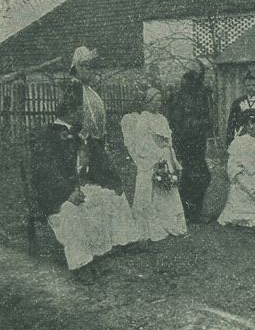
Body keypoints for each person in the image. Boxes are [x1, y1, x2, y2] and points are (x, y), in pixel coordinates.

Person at [31, 82, 140, 285]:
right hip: (57, 194)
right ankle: (81, 263)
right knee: (71, 212)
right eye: (80, 110)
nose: (83, 114)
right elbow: (45, 171)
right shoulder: (48, 135)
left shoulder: (80, 133)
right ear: (71, 111)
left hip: (80, 186)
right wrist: (67, 192)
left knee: (112, 195)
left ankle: (122, 241)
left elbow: (99, 161)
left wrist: (113, 182)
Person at [121, 88, 187, 241]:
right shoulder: (143, 120)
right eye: (155, 101)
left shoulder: (162, 119)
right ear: (147, 102)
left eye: (160, 101)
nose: (158, 104)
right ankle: (154, 224)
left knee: (168, 188)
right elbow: (142, 144)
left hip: (165, 158)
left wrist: (172, 159)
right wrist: (157, 158)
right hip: (152, 160)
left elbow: (168, 142)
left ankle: (169, 223)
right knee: (152, 190)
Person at [169, 64, 211, 223]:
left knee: (201, 177)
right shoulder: (180, 98)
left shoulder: (200, 96)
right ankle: (189, 212)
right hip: (186, 143)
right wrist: (199, 124)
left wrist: (204, 124)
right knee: (192, 177)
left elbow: (206, 117)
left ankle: (193, 211)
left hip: (198, 143)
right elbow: (177, 122)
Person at [226, 70, 255, 147]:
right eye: (248, 85)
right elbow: (231, 124)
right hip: (242, 139)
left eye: (254, 85)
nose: (251, 88)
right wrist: (229, 141)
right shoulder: (238, 102)